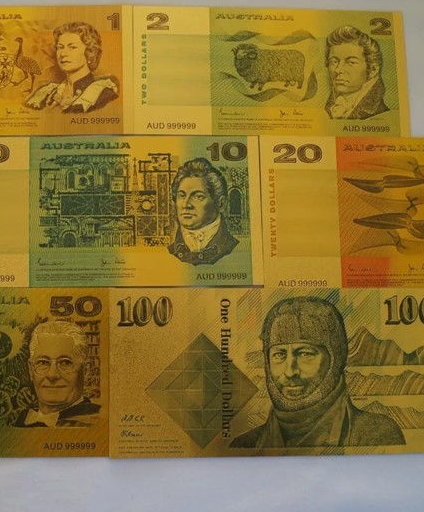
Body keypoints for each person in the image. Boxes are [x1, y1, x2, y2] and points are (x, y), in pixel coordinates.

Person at [231, 297, 405, 448]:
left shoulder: (377, 434)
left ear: (335, 358)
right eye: (279, 355)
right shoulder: (245, 444)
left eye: (305, 354)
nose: (290, 371)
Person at [14, 320, 100, 428]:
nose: (52, 375)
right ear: (31, 370)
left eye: (65, 363)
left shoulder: (99, 422)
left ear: (85, 371)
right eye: (43, 362)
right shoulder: (21, 420)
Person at [25, 21, 118, 113]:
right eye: (60, 47)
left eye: (72, 47)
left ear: (89, 52)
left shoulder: (102, 94)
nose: (63, 54)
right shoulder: (46, 94)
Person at [167, 158, 239, 266]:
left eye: (198, 196)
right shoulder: (169, 251)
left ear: (221, 204)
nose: (186, 205)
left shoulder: (234, 249)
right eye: (181, 195)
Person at [324, 25, 389, 120]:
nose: (338, 70)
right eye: (334, 62)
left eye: (351, 62)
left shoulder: (381, 115)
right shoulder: (329, 109)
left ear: (373, 70)